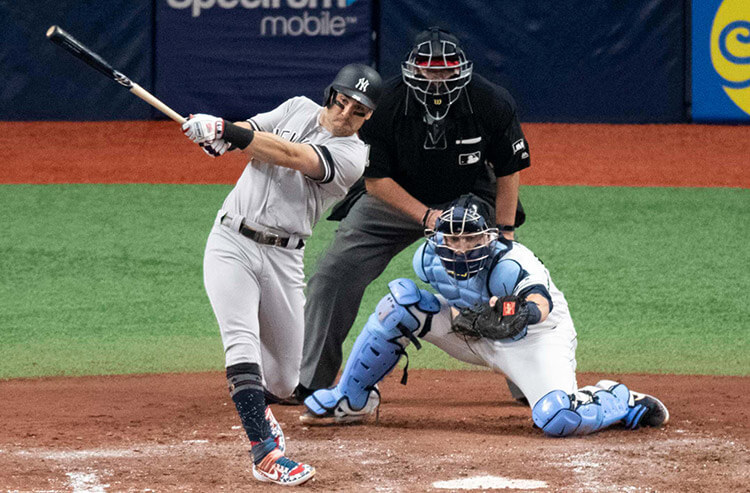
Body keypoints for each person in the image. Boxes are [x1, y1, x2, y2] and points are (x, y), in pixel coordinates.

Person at [300, 194, 670, 437]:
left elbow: (540, 306)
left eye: (472, 239)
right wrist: (475, 318)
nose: (460, 247)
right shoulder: (427, 260)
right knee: (401, 303)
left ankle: (618, 399)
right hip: (475, 334)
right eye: (452, 239)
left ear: (489, 238)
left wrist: (515, 312)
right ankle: (351, 399)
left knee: (557, 418)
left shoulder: (512, 263)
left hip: (534, 340)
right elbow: (456, 303)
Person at [296, 27, 532, 402]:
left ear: (461, 70)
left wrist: (504, 235)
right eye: (429, 70)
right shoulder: (384, 103)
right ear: (413, 70)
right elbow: (375, 181)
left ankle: (529, 384)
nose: (437, 78)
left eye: (445, 70)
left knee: (501, 280)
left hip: (467, 199)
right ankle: (309, 381)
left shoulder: (490, 101)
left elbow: (507, 170)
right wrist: (428, 218)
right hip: (393, 199)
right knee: (333, 274)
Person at [180, 63, 383, 486]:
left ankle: (262, 410)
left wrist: (227, 131)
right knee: (241, 343)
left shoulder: (353, 156)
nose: (345, 115)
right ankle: (265, 453)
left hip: (284, 259)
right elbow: (251, 131)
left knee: (287, 379)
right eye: (342, 102)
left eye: (358, 111)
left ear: (368, 117)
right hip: (231, 242)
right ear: (331, 94)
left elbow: (290, 155)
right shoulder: (296, 108)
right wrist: (218, 139)